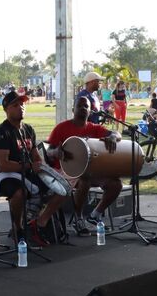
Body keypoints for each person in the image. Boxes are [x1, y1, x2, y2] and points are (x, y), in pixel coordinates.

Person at [0, 91, 67, 247]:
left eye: (23, 104)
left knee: (63, 189)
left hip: (27, 171)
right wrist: (30, 166)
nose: (21, 107)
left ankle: (38, 224)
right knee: (19, 192)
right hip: (5, 175)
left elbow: (36, 156)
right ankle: (18, 228)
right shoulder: (0, 132)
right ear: (6, 109)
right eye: (15, 105)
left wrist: (46, 170)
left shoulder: (29, 129)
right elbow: (3, 165)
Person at [46, 96, 122, 237]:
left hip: (92, 171)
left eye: (86, 106)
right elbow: (48, 151)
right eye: (79, 106)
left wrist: (113, 137)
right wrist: (56, 152)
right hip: (66, 171)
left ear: (90, 111)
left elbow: (116, 133)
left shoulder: (94, 128)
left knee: (116, 184)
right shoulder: (62, 128)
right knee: (84, 180)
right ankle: (78, 218)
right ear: (73, 108)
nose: (83, 109)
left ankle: (95, 214)